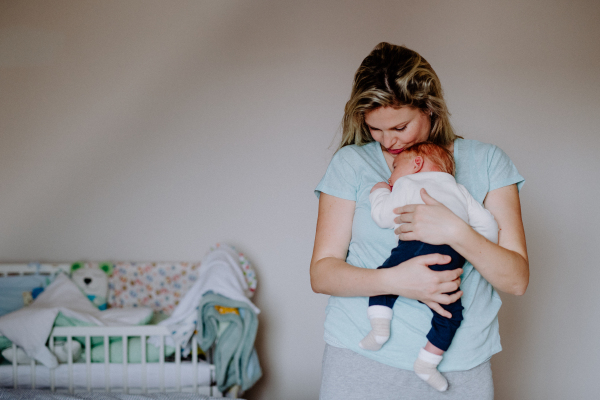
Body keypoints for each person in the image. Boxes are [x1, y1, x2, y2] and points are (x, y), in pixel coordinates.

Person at [311, 42, 528, 399]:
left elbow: (516, 280)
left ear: (431, 109)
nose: (388, 142)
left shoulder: (488, 162)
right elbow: (322, 273)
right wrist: (398, 281)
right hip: (361, 360)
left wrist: (455, 230)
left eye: (400, 126)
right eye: (375, 130)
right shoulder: (351, 164)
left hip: (459, 365)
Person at [359, 142, 499, 392]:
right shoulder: (460, 190)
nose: (390, 176)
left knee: (385, 279)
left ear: (416, 164)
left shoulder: (406, 183)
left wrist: (379, 192)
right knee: (450, 315)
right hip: (449, 259)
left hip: (413, 246)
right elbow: (488, 228)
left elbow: (382, 216)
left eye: (394, 167)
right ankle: (427, 362)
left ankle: (379, 330)